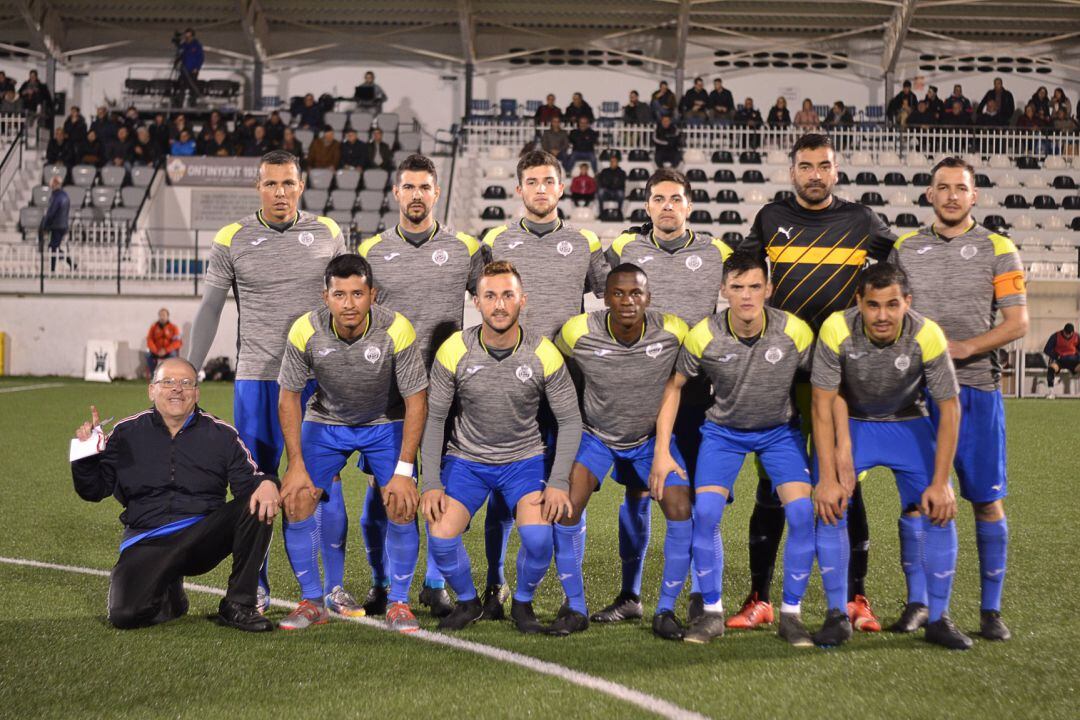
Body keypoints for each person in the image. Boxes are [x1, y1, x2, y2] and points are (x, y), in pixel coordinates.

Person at [733, 133, 896, 634]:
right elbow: (739, 270)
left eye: (823, 165)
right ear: (793, 172)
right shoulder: (769, 219)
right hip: (782, 370)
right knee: (772, 484)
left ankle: (855, 598)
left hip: (842, 372)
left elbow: (899, 265)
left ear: (836, 169)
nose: (815, 174)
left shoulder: (862, 220)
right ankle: (760, 597)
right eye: (806, 166)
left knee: (848, 481)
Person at [186, 150, 347, 614]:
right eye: (271, 184)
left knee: (325, 482)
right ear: (258, 187)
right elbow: (211, 307)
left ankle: (333, 587)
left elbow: (347, 296)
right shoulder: (232, 237)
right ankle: (255, 584)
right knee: (256, 484)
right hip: (257, 378)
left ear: (302, 186)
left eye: (288, 184)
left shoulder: (328, 232)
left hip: (317, 379)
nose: (280, 192)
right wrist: (191, 369)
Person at [891, 156, 1028, 641]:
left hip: (977, 391)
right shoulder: (905, 250)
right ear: (929, 195)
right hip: (918, 396)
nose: (951, 195)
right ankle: (919, 604)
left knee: (986, 501)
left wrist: (965, 348)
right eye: (942, 187)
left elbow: (1018, 323)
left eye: (960, 188)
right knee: (916, 503)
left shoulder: (998, 247)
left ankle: (990, 611)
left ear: (974, 196)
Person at [651, 251, 820, 645]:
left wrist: (826, 451)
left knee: (800, 513)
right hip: (723, 432)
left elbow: (824, 387)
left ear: (769, 289)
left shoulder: (794, 330)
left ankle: (791, 614)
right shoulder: (704, 334)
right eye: (738, 287)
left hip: (779, 431)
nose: (746, 296)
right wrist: (662, 452)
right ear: (723, 289)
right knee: (705, 513)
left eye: (755, 287)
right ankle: (711, 611)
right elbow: (673, 387)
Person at [812, 263, 971, 650]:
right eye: (873, 305)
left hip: (908, 423)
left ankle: (938, 617)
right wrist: (829, 474)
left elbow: (949, 409)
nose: (882, 315)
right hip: (854, 422)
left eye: (892, 305)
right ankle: (836, 614)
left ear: (907, 303)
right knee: (830, 505)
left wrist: (941, 481)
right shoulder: (836, 328)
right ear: (859, 303)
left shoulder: (927, 334)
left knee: (938, 509)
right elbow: (822, 404)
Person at [477, 151, 609, 619]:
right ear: (518, 189)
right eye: (531, 181)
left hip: (567, 381)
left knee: (568, 486)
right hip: (505, 382)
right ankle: (496, 583)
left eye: (548, 181)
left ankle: (568, 594)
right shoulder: (495, 239)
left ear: (563, 187)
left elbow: (618, 295)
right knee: (503, 489)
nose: (540, 189)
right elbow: (480, 300)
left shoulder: (585, 241)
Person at [419, 260, 582, 633]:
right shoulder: (453, 350)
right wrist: (430, 482)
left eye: (507, 295)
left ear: (522, 299)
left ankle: (522, 604)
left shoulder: (544, 353)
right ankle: (467, 601)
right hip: (467, 460)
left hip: (524, 461)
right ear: (475, 301)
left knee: (539, 538)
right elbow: (435, 419)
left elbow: (571, 421)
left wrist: (557, 481)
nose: (499, 305)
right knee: (441, 535)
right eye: (490, 296)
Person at [356, 153, 484, 618]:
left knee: (441, 486)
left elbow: (495, 302)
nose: (416, 195)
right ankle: (380, 581)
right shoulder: (372, 251)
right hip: (388, 389)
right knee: (383, 488)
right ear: (396, 193)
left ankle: (433, 583)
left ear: (437, 192)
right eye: (407, 187)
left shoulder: (466, 248)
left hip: (448, 386)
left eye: (424, 187)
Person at [604, 169, 733, 624]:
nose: (667, 206)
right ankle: (629, 595)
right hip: (640, 390)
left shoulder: (717, 252)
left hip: (697, 392)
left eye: (675, 198)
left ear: (690, 205)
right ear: (646, 206)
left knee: (701, 497)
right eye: (658, 199)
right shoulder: (624, 249)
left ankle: (703, 595)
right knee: (638, 493)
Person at [276, 254, 428, 632]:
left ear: (372, 295)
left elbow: (416, 401)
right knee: (296, 498)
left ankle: (398, 603)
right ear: (325, 296)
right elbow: (288, 397)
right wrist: (295, 464)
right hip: (326, 420)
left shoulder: (398, 329)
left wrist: (405, 470)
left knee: (401, 501)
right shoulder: (304, 330)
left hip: (384, 420)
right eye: (339, 294)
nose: (349, 304)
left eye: (357, 294)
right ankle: (313, 601)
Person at [70, 358, 279, 632]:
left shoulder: (221, 434)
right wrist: (85, 455)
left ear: (196, 392)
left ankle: (238, 604)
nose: (176, 389)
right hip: (147, 539)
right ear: (151, 390)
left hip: (201, 536)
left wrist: (267, 482)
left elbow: (247, 483)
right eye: (167, 382)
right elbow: (93, 490)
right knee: (126, 616)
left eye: (185, 383)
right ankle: (171, 596)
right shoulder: (126, 433)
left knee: (259, 499)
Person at [553, 264, 689, 635]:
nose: (627, 301)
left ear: (649, 297)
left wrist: (663, 449)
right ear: (605, 296)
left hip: (649, 440)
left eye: (636, 293)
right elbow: (557, 371)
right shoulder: (577, 331)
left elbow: (677, 387)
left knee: (680, 509)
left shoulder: (674, 330)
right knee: (565, 508)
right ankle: (575, 607)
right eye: (618, 293)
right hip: (596, 434)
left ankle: (663, 610)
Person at [40, 176, 72, 272]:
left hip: (56, 225)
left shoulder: (56, 196)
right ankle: (69, 263)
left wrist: (45, 225)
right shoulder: (64, 195)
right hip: (62, 225)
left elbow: (51, 213)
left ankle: (56, 267)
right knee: (54, 247)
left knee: (53, 247)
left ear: (55, 183)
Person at [1044, 323, 1079, 399]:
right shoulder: (1055, 336)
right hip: (1060, 361)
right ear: (1063, 331)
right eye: (1066, 333)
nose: (1068, 335)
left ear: (1073, 332)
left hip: (1073, 361)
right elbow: (1047, 349)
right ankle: (1051, 393)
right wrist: (1056, 356)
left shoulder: (1077, 337)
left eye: (1070, 334)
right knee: (1051, 369)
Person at [146, 308, 182, 378]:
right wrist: (156, 351)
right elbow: (149, 340)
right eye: (160, 315)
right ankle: (154, 376)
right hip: (156, 351)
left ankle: (170, 376)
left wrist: (166, 350)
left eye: (164, 315)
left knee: (173, 355)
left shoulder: (174, 327)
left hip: (168, 351)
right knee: (148, 355)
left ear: (167, 316)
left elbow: (177, 342)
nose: (162, 317)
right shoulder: (153, 327)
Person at [175, 28, 204, 107]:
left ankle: (192, 103)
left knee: (192, 87)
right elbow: (179, 53)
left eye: (189, 36)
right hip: (184, 69)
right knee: (182, 87)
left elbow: (200, 58)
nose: (188, 38)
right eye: (186, 36)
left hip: (193, 70)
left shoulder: (197, 45)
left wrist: (196, 68)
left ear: (192, 36)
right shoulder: (184, 45)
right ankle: (180, 103)